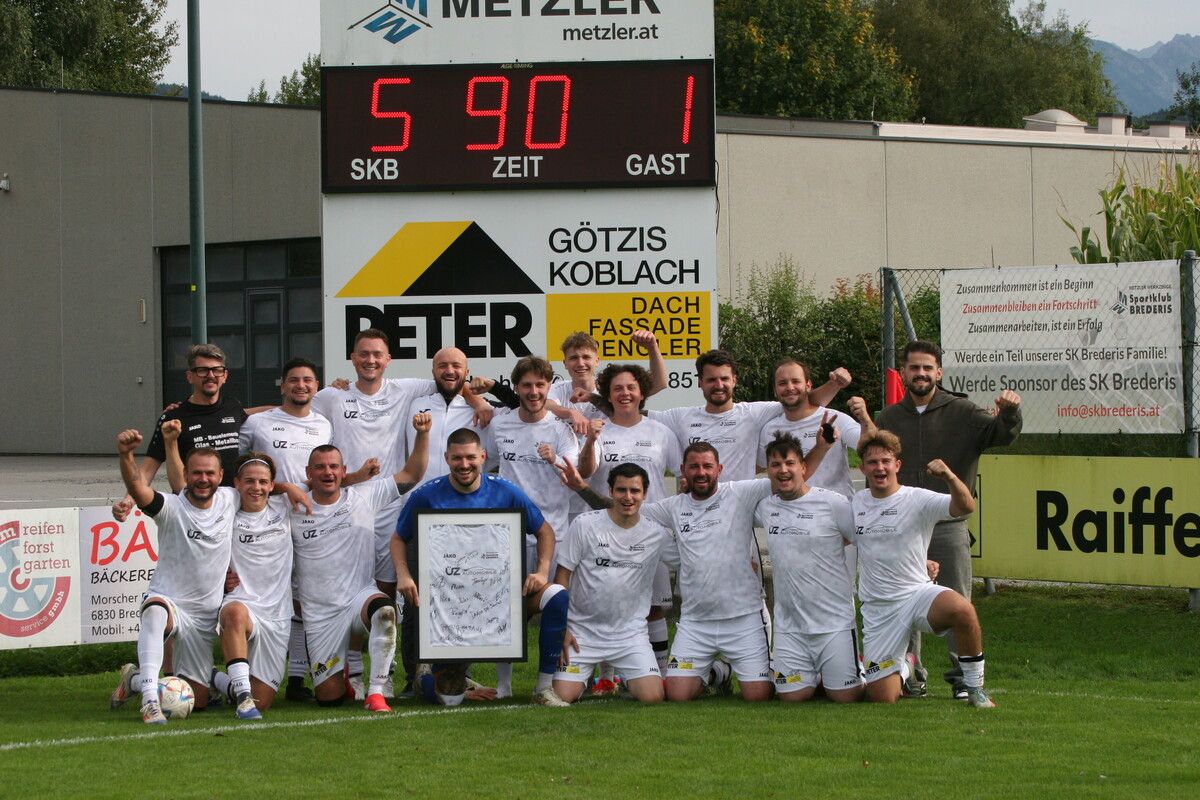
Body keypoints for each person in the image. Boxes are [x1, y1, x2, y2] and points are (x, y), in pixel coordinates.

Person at [313, 332, 489, 699]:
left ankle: (399, 672)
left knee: (402, 589)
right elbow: (289, 408)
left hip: (395, 500)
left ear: (389, 358)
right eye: (364, 354)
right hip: (348, 503)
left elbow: (455, 379)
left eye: (377, 354)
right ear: (352, 356)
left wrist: (475, 395)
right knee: (353, 586)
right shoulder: (334, 395)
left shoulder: (407, 389)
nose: (371, 360)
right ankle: (356, 671)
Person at [852, 340, 1021, 699]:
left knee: (956, 601)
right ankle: (911, 675)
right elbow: (873, 456)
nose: (921, 374)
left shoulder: (961, 410)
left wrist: (1008, 413)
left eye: (928, 368)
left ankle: (964, 680)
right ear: (904, 373)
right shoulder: (891, 417)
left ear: (939, 373)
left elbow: (999, 435)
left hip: (946, 524)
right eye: (914, 368)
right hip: (901, 528)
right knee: (903, 599)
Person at [561, 442, 774, 703]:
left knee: (758, 695)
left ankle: (724, 670)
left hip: (744, 616)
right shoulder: (671, 507)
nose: (701, 472)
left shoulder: (742, 492)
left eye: (707, 466)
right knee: (676, 693)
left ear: (719, 469)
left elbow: (786, 477)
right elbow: (620, 507)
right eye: (694, 466)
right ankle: (715, 675)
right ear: (683, 470)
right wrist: (581, 487)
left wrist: (821, 446)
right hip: (696, 621)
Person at [391, 428, 571, 707]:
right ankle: (425, 674)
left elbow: (545, 531)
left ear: (483, 457)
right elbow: (399, 538)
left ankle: (543, 688)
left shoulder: (506, 491)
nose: (464, 465)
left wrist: (542, 570)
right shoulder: (427, 495)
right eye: (457, 458)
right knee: (448, 699)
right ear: (447, 458)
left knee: (557, 595)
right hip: (451, 606)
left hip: (506, 596)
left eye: (471, 458)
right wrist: (403, 575)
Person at [291, 413, 431, 713]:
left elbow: (412, 474)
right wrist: (283, 488)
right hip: (319, 613)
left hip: (358, 597)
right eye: (320, 467)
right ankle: (341, 674)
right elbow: (253, 489)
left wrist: (421, 434)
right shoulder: (292, 505)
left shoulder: (364, 495)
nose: (327, 472)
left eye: (333, 467)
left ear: (344, 471)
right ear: (308, 472)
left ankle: (376, 692)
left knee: (385, 612)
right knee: (329, 698)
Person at [851, 430, 995, 708]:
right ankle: (906, 664)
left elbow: (966, 506)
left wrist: (949, 477)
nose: (879, 468)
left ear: (897, 465)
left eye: (885, 461)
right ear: (863, 468)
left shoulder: (917, 498)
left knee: (963, 610)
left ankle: (975, 689)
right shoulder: (856, 504)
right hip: (879, 609)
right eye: (872, 462)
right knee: (883, 698)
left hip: (917, 594)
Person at [109, 426, 237, 724]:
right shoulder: (170, 507)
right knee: (154, 611)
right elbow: (139, 488)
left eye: (209, 473)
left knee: (197, 699)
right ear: (185, 476)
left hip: (203, 616)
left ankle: (134, 680)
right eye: (196, 473)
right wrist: (126, 455)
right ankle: (149, 700)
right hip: (168, 600)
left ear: (220, 476)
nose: (202, 479)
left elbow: (265, 484)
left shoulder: (232, 499)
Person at [576, 363, 680, 680]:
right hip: (606, 531)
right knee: (606, 603)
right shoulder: (598, 428)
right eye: (617, 388)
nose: (625, 393)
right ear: (608, 394)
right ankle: (607, 678)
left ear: (642, 392)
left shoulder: (660, 431)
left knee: (653, 607)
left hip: (650, 533)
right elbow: (584, 473)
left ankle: (660, 673)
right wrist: (592, 441)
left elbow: (681, 474)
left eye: (631, 387)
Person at [548, 463, 670, 705]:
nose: (628, 497)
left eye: (634, 491)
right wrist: (562, 626)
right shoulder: (584, 524)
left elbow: (690, 558)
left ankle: (625, 678)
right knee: (562, 696)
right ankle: (587, 678)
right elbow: (562, 576)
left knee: (653, 696)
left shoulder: (657, 534)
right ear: (611, 491)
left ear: (644, 494)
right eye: (621, 490)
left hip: (629, 636)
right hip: (581, 634)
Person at [754, 433, 862, 703]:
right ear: (768, 471)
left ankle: (898, 669)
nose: (783, 470)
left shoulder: (833, 503)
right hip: (791, 626)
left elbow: (863, 540)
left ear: (803, 467)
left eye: (789, 463)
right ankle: (813, 673)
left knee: (846, 697)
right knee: (792, 697)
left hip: (834, 621)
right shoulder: (766, 507)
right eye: (775, 465)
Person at [112, 343, 247, 518]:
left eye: (217, 370)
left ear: (225, 375)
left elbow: (261, 416)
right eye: (203, 370)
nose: (211, 376)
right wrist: (129, 500)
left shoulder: (233, 407)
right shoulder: (173, 418)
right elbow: (147, 469)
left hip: (231, 510)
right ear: (190, 376)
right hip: (192, 511)